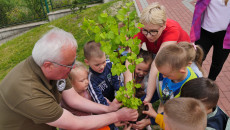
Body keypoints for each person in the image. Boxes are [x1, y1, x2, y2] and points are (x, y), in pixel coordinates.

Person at [0, 28, 138, 130]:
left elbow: (73, 99)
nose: (73, 68)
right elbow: (74, 123)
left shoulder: (53, 66)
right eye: (69, 64)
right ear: (48, 65)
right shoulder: (30, 92)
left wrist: (108, 109)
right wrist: (117, 116)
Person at [125, 2, 190, 104]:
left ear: (163, 25)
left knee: (168, 79)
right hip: (159, 52)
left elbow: (157, 63)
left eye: (153, 31)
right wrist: (129, 90)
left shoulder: (172, 29)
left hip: (180, 57)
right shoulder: (142, 29)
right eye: (145, 31)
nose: (149, 36)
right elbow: (130, 59)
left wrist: (148, 97)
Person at [132, 44, 198, 129]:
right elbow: (160, 90)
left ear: (182, 71)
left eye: (166, 75)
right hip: (168, 106)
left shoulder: (191, 88)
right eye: (161, 73)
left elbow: (176, 115)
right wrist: (143, 100)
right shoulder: (165, 71)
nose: (163, 77)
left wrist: (151, 120)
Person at [190, 0, 230, 81]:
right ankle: (195, 80)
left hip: (225, 36)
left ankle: (210, 83)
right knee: (197, 59)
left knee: (218, 63)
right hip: (205, 32)